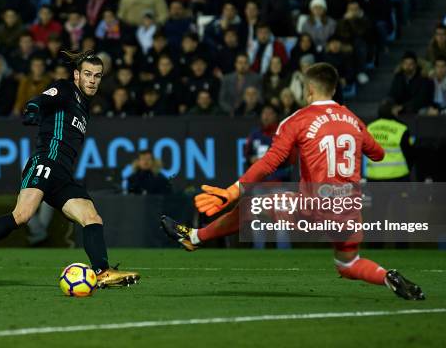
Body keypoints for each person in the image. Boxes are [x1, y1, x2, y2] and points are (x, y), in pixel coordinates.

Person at [161, 63, 425, 300]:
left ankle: (195, 237)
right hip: (349, 210)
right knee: (347, 264)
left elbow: (269, 162)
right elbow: (378, 154)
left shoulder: (297, 120)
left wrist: (232, 191)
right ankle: (386, 276)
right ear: (332, 89)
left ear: (308, 89)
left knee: (252, 205)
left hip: (315, 206)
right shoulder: (353, 120)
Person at [0, 50, 140, 289]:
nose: (92, 80)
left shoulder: (84, 106)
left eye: (98, 76)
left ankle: (101, 271)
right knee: (22, 215)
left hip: (63, 175)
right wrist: (32, 110)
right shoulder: (66, 89)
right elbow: (40, 100)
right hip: (45, 162)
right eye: (87, 74)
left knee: (92, 217)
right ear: (76, 75)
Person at [364, 100, 415, 182]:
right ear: (393, 110)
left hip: (373, 176)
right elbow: (409, 155)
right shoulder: (401, 129)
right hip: (397, 176)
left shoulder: (369, 128)